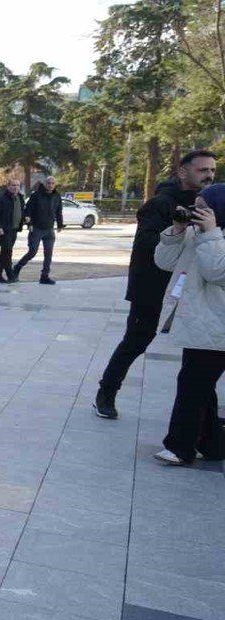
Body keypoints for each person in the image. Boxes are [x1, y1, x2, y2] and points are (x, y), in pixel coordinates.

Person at [95, 151, 217, 419]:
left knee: (200, 356)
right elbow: (145, 245)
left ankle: (205, 420)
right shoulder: (161, 204)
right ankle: (106, 392)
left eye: (212, 170)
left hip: (194, 291)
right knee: (135, 342)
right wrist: (178, 234)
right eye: (202, 170)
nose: (209, 175)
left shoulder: (212, 205)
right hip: (153, 290)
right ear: (182, 172)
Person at [151, 184, 225, 465]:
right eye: (195, 207)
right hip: (199, 321)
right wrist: (178, 231)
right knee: (199, 385)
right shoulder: (201, 234)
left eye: (203, 207)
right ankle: (213, 445)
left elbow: (217, 271)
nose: (197, 212)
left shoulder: (212, 236)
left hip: (217, 325)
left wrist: (211, 233)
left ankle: (181, 447)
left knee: (193, 385)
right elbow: (164, 262)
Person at [12, 176, 65, 284]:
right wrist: (29, 223)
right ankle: (17, 268)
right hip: (36, 228)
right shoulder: (36, 195)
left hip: (49, 230)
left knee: (48, 254)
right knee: (32, 251)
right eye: (48, 183)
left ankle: (44, 276)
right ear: (44, 184)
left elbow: (59, 211)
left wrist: (60, 224)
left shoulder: (57, 196)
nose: (50, 185)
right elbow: (28, 210)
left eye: (52, 183)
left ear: (55, 185)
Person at [0, 180, 25, 283]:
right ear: (8, 186)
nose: (15, 187)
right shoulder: (2, 199)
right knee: (7, 251)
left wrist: (25, 220)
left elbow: (21, 211)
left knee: (5, 252)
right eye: (13, 185)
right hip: (4, 230)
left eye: (17, 185)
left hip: (14, 229)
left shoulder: (20, 198)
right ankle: (10, 274)